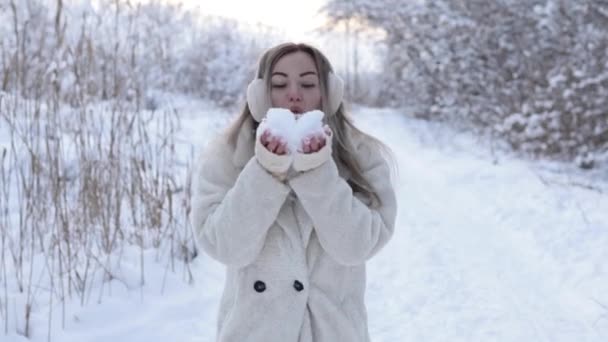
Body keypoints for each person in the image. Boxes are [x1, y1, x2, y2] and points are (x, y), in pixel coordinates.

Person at [190, 42, 397, 342]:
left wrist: (317, 172)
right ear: (261, 95)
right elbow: (225, 247)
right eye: (279, 83)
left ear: (329, 92)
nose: (294, 93)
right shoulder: (228, 155)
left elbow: (357, 247)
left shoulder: (362, 156)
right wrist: (265, 171)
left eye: (308, 83)